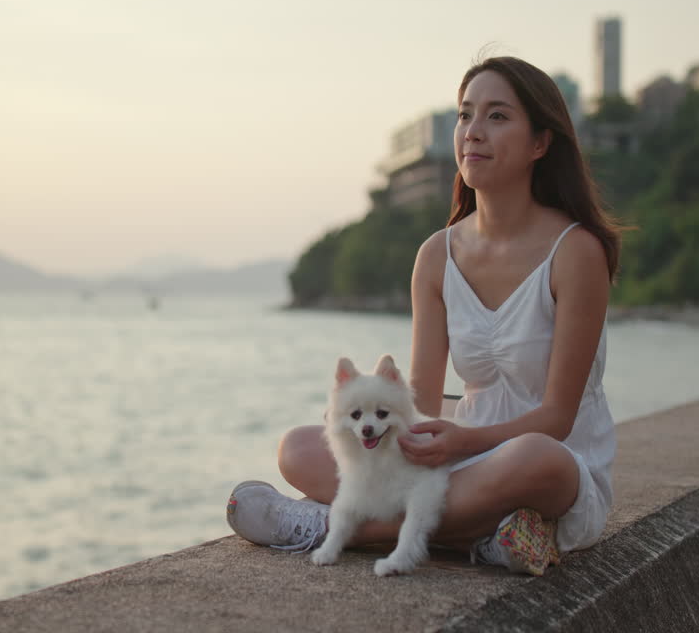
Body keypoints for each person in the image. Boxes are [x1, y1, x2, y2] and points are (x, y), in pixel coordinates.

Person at [226, 56, 620, 575]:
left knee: (535, 457)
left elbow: (557, 419)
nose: (473, 132)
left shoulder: (576, 252)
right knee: (299, 448)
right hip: (461, 462)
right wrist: (377, 422)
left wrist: (466, 440)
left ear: (540, 144)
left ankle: (328, 526)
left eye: (497, 117)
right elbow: (426, 403)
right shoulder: (437, 256)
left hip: (550, 467)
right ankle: (489, 537)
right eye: (465, 115)